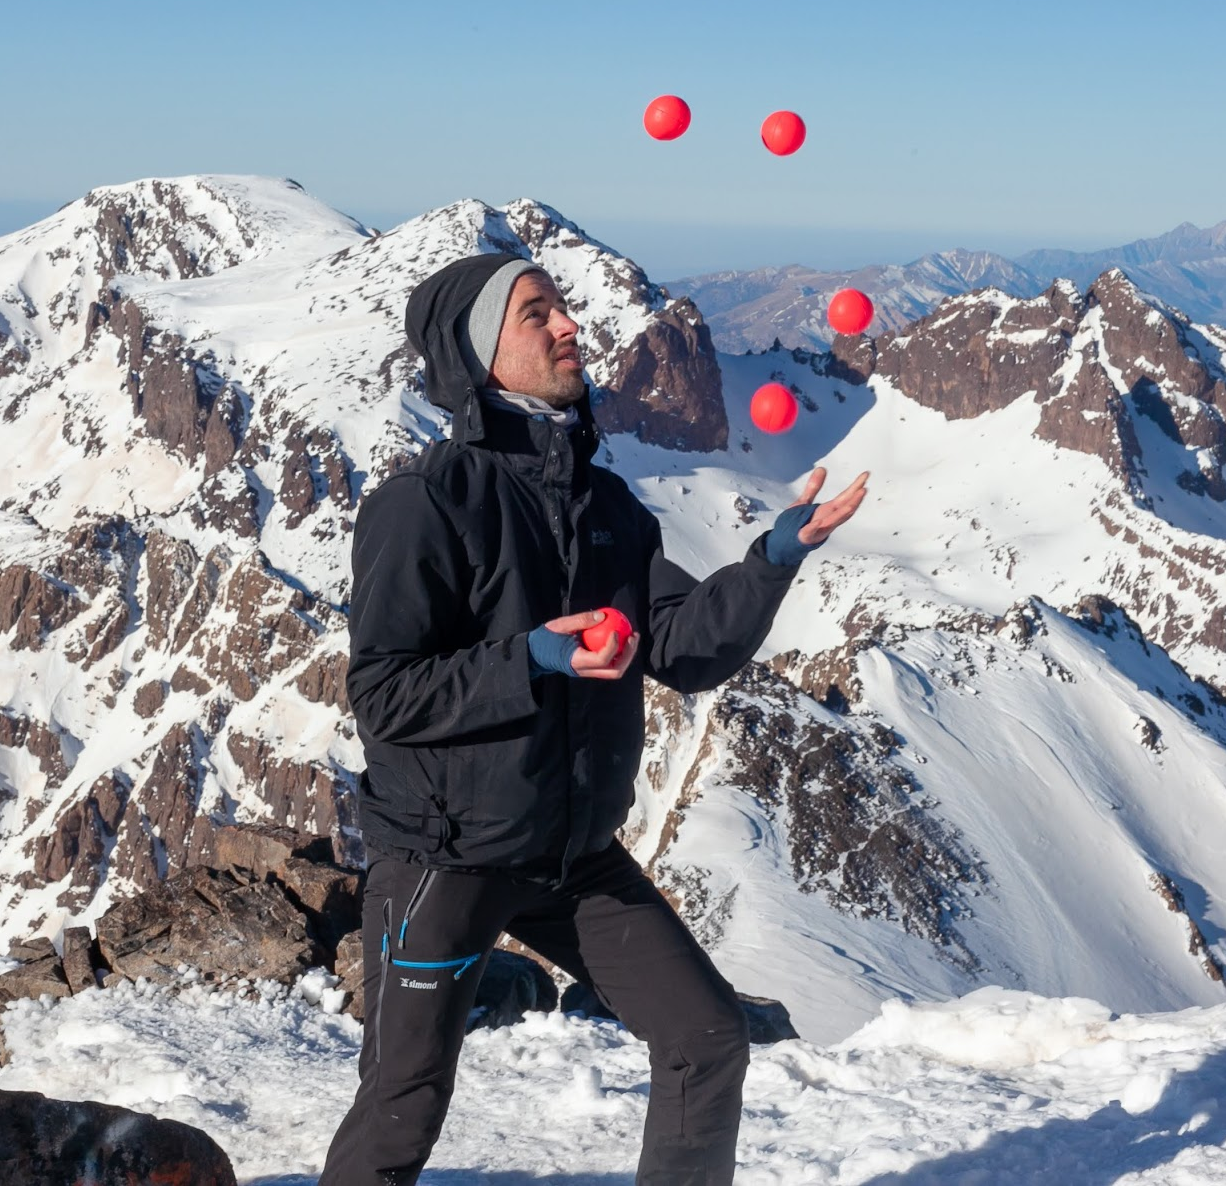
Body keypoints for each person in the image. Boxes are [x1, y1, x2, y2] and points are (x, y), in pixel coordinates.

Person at [319, 254, 870, 1186]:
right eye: (538, 314)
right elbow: (384, 693)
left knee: (707, 1037)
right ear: (479, 354)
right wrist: (533, 657)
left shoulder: (605, 505)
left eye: (562, 306)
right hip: (447, 854)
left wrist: (776, 555)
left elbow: (684, 647)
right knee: (403, 1101)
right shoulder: (427, 505)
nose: (570, 324)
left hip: (571, 853)